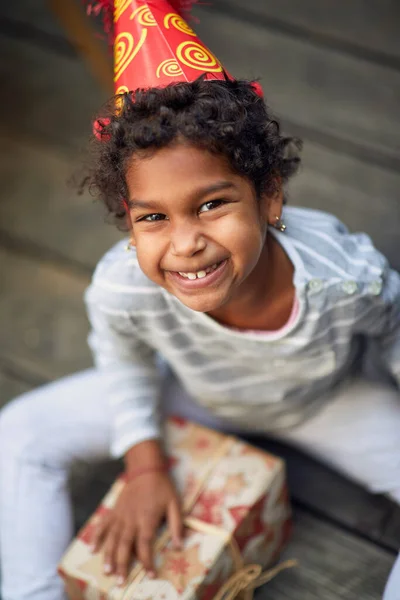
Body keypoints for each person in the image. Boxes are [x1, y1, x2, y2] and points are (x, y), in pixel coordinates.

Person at [1, 2, 400, 599]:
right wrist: (144, 461)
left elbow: (394, 325)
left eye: (212, 204)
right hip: (193, 388)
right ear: (128, 222)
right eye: (153, 218)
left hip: (325, 396)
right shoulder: (124, 286)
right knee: (20, 433)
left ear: (269, 196)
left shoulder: (345, 279)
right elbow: (122, 354)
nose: (185, 243)